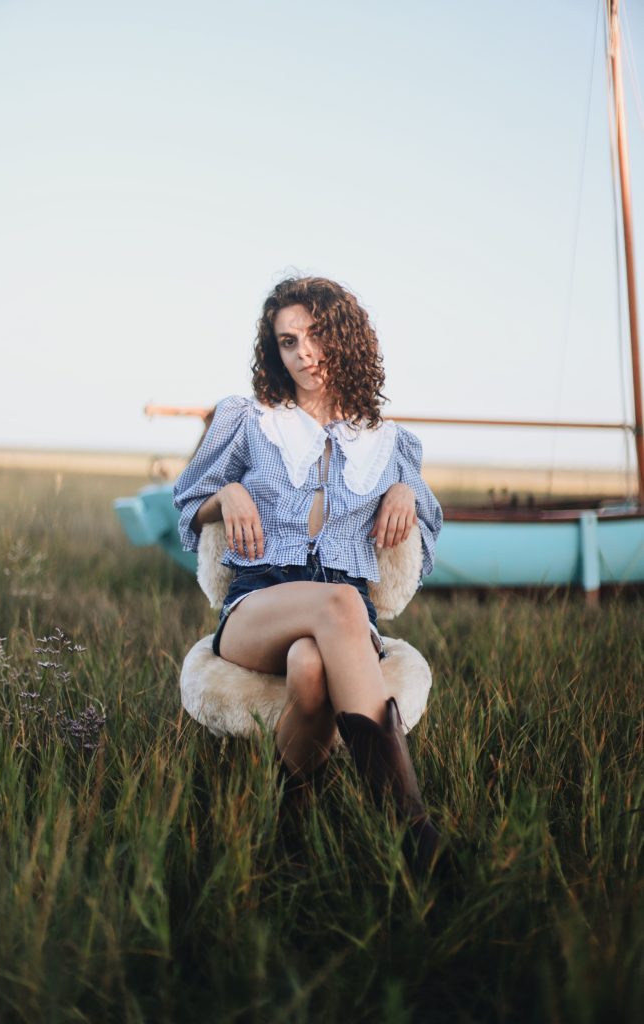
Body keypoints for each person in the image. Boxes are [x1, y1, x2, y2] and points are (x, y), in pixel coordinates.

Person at [173, 276, 444, 871]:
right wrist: (231, 493)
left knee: (311, 666)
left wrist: (404, 490)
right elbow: (188, 502)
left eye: (315, 336)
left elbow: (428, 525)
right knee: (341, 604)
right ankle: (414, 831)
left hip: (341, 622)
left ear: (346, 338)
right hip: (258, 604)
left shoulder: (390, 442)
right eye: (288, 341)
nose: (303, 354)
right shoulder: (248, 419)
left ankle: (290, 820)